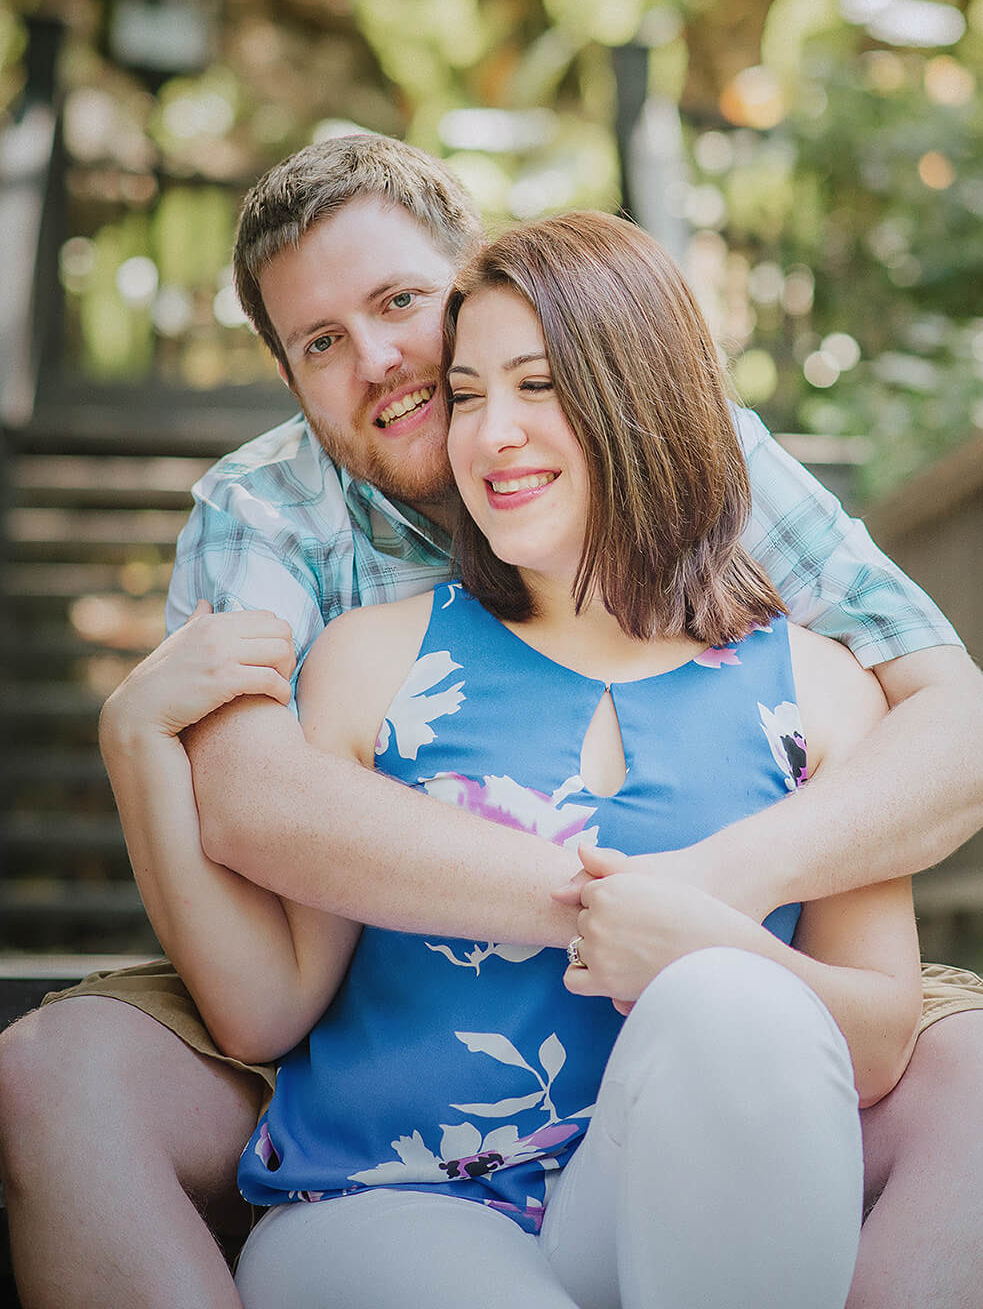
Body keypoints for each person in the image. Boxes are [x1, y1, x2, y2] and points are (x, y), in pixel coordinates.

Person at [0, 134, 983, 1309]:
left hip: (679, 1054)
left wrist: (703, 900)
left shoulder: (721, 486)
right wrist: (611, 904)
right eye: (320, 343)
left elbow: (972, 741)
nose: (383, 362)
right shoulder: (274, 518)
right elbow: (260, 811)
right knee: (59, 1071)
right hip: (386, 1095)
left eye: (402, 302)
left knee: (960, 1054)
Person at [220, 210, 925, 1306]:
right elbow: (274, 991)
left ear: (639, 393)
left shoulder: (817, 687)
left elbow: (875, 1038)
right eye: (465, 392)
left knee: (736, 1002)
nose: (489, 431)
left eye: (536, 384)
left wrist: (710, 949)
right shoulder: (371, 662)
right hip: (384, 1200)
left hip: (650, 1202)